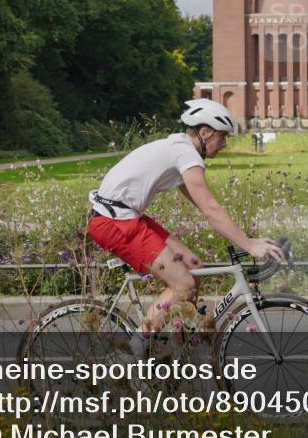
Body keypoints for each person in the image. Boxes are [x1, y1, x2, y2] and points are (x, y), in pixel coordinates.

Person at [87, 99, 284, 352]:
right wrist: (249, 245)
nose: (224, 144)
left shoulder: (179, 148)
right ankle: (132, 353)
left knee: (194, 266)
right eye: (222, 136)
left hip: (125, 216)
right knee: (183, 285)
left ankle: (177, 347)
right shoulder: (185, 153)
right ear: (205, 132)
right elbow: (211, 210)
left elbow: (206, 206)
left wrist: (244, 238)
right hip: (115, 222)